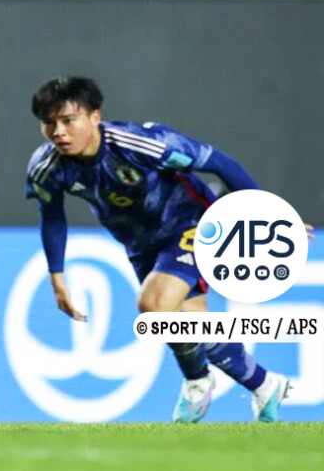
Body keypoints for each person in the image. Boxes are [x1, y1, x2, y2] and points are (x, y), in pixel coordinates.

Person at [24, 76, 292, 423]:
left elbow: (219, 163)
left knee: (154, 306)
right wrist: (57, 275)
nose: (58, 131)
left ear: (94, 117)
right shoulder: (48, 167)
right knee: (190, 324)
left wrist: (268, 213)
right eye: (49, 123)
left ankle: (198, 381)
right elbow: (52, 216)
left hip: (192, 222)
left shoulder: (143, 144)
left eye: (68, 120)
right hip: (140, 244)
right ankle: (265, 384)